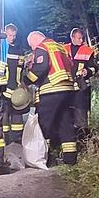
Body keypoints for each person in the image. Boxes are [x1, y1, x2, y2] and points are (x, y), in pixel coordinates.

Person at [24, 31, 78, 166]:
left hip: (51, 89)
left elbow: (41, 68)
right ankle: (70, 159)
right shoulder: (60, 47)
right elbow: (71, 65)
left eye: (31, 45)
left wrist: (26, 80)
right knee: (65, 123)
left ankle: (45, 159)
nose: (32, 49)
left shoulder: (42, 47)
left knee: (44, 123)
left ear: (36, 40)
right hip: (68, 90)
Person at [0, 24, 26, 175]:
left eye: (13, 36)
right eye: (9, 35)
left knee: (13, 122)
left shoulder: (17, 49)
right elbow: (2, 73)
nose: (11, 38)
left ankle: (10, 149)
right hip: (0, 92)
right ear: (3, 34)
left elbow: (18, 72)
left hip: (11, 92)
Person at [65, 28, 98, 144]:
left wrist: (87, 72)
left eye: (82, 38)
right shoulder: (64, 49)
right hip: (66, 88)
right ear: (72, 38)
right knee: (66, 115)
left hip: (81, 89)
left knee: (81, 115)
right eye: (78, 38)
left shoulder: (87, 51)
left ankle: (83, 143)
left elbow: (94, 67)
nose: (81, 40)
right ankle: (68, 142)